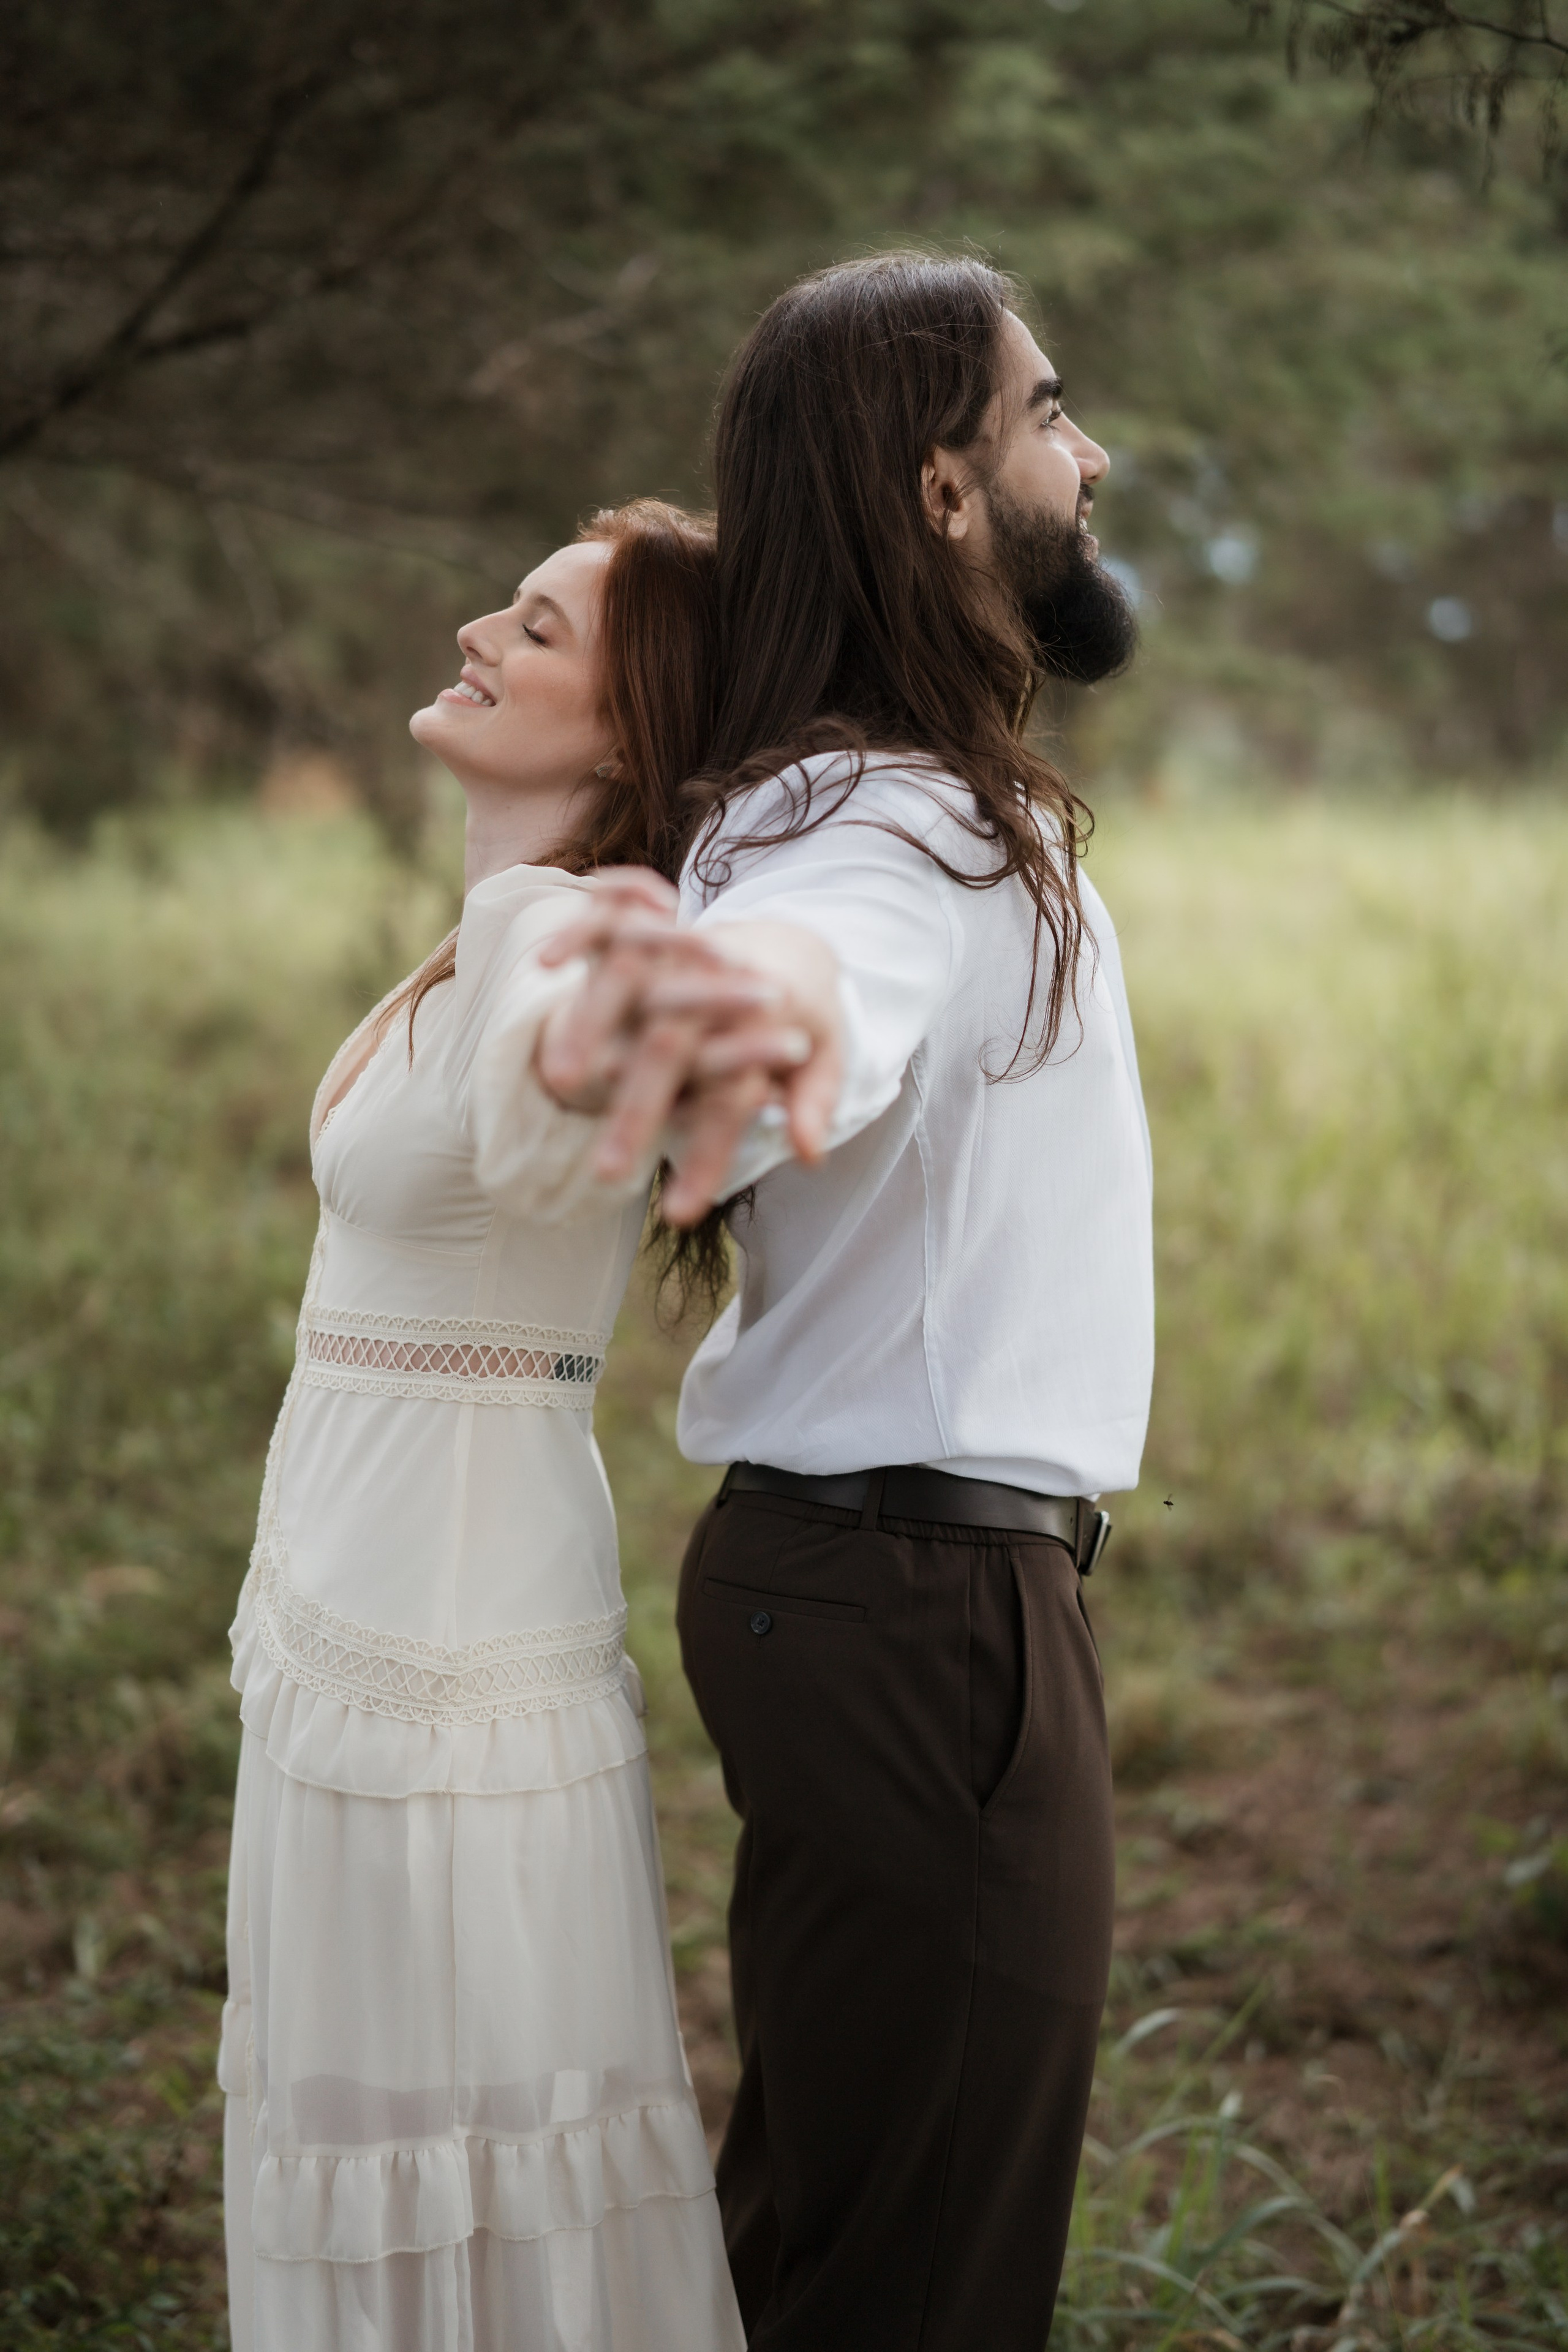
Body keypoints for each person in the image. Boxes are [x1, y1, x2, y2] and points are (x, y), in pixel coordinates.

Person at [529, 254, 1155, 2350]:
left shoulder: (852, 790)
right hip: (925, 1613)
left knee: (832, 2240)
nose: (1095, 448)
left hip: (870, 1595)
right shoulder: (889, 824)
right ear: (947, 494)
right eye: (1048, 406)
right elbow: (826, 973)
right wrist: (734, 1012)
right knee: (919, 2288)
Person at [219, 499, 794, 2352]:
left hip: (442, 1670)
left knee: (463, 2140)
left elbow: (567, 1108)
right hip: (349, 1622)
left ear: (628, 736)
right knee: (376, 2124)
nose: (479, 627)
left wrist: (620, 1028)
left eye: (538, 631)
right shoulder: (482, 932)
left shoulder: (552, 943)